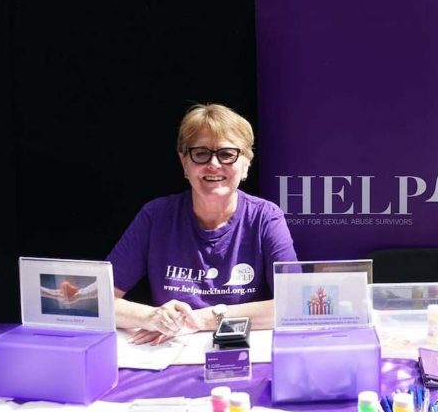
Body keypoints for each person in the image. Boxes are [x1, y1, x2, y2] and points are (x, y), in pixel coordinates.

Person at [107, 103, 298, 343]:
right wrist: (152, 316)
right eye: (200, 153)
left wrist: (204, 319)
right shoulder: (155, 216)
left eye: (227, 154)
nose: (214, 164)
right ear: (184, 163)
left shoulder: (265, 217)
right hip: (168, 349)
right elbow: (100, 301)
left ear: (246, 164)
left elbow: (293, 303)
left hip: (240, 347)